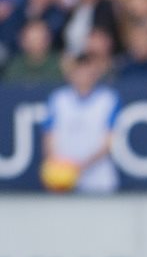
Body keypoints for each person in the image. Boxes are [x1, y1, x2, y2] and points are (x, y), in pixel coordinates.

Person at [41, 36, 120, 194]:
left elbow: (109, 142)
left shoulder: (108, 99)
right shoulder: (59, 99)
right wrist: (57, 166)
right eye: (79, 70)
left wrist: (80, 166)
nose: (83, 75)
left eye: (87, 71)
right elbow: (48, 135)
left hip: (99, 179)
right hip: (63, 179)